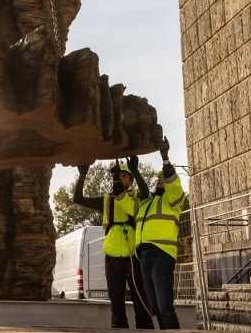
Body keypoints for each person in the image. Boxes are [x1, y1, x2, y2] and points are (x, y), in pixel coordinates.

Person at [73, 156, 155, 329]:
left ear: (130, 182)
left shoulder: (136, 198)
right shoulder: (106, 199)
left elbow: (146, 192)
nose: (121, 178)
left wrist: (135, 171)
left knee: (140, 297)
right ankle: (118, 329)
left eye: (125, 176)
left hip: (132, 255)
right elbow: (78, 198)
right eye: (120, 176)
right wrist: (82, 175)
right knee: (116, 299)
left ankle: (145, 327)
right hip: (111, 255)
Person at [135, 137, 186, 330]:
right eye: (158, 177)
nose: (160, 179)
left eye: (163, 178)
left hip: (161, 255)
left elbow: (173, 183)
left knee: (165, 307)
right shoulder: (147, 203)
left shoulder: (174, 201)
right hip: (144, 257)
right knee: (156, 308)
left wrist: (165, 159)